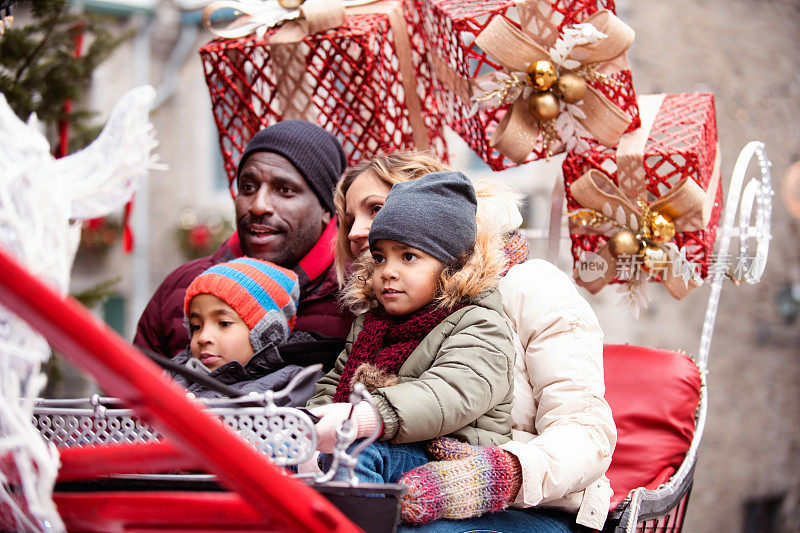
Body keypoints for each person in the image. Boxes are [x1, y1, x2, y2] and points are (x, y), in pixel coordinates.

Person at [333, 153, 616, 532]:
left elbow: (586, 431)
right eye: (350, 219)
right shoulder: (382, 311)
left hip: (534, 504)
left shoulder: (529, 286)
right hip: (412, 479)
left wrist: (499, 474)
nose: (355, 233)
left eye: (376, 209)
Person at [306, 171, 516, 488]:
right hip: (391, 444)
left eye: (408, 256)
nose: (388, 271)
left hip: (452, 461)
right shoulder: (373, 321)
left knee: (355, 458)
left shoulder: (479, 321)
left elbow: (451, 393)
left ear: (452, 266)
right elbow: (337, 380)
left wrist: (366, 417)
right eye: (379, 257)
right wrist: (312, 425)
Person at [134, 121, 354, 363]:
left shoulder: (359, 296)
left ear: (326, 207)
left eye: (285, 190)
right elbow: (129, 391)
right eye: (248, 187)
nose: (258, 205)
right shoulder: (181, 287)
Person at [167, 257, 322, 405]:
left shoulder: (291, 386)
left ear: (266, 333)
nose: (203, 337)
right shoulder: (172, 375)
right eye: (196, 326)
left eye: (224, 323)